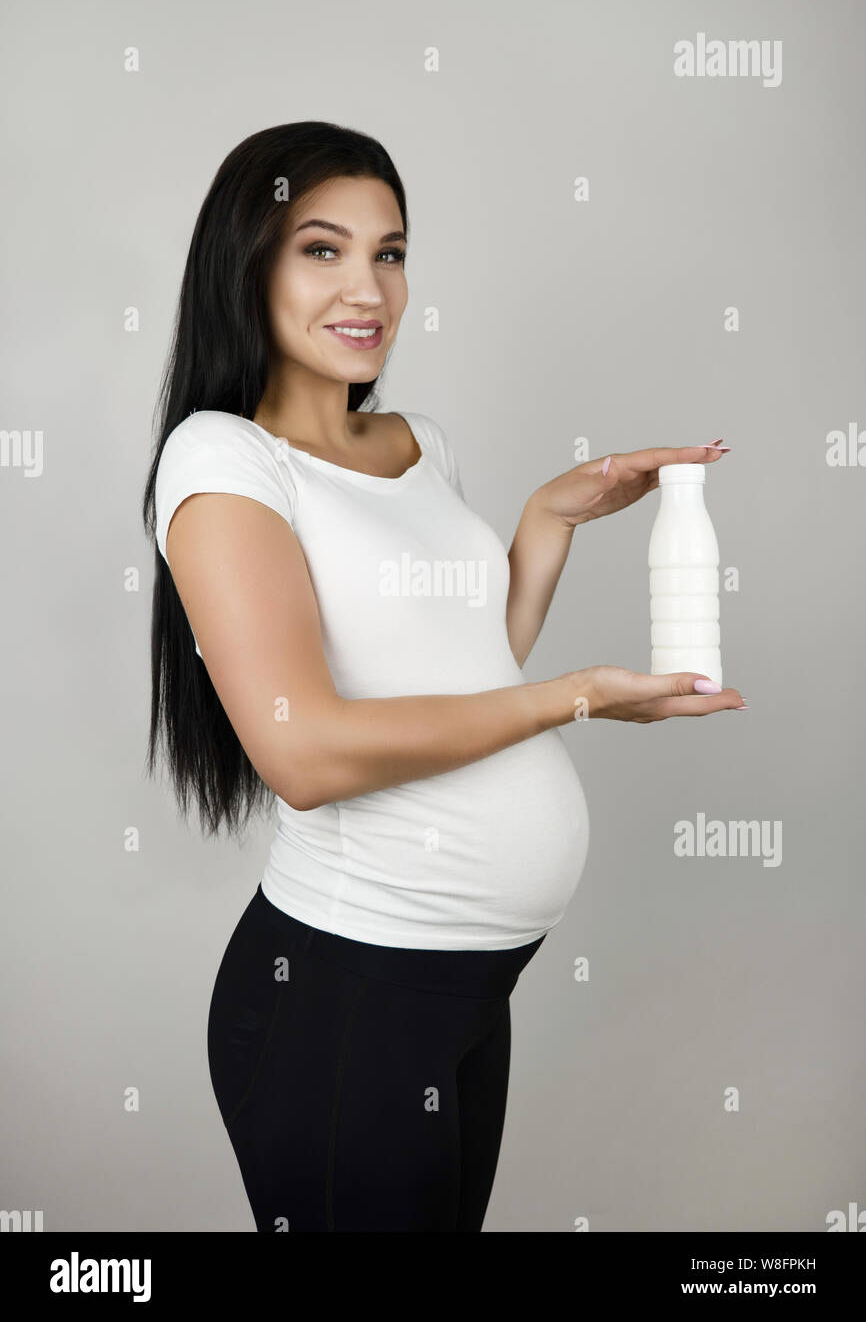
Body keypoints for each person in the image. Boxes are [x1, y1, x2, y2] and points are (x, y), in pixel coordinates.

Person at [142, 121, 743, 1233]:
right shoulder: (224, 458)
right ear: (248, 264)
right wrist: (576, 697)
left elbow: (463, 676)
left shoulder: (420, 441)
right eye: (320, 249)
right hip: (344, 992)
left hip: (470, 986)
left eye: (390, 250)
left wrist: (545, 521)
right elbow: (304, 752)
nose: (366, 286)